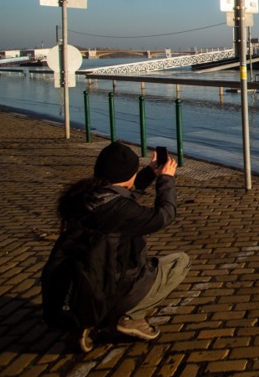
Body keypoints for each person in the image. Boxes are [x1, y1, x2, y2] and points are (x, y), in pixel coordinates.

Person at [56, 141, 190, 352]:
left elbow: (121, 196)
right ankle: (131, 317)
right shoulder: (121, 212)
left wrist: (149, 173)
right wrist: (166, 179)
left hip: (80, 284)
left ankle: (88, 319)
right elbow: (164, 216)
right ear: (127, 175)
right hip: (116, 285)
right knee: (180, 262)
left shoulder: (83, 197)